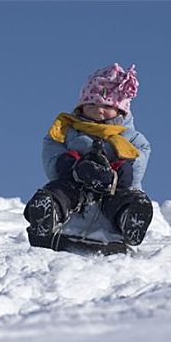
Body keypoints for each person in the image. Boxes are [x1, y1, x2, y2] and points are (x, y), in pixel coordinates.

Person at [24, 63, 153, 253]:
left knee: (125, 198)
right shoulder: (67, 130)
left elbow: (139, 160)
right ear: (82, 106)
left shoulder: (131, 137)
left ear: (121, 110)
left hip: (113, 191)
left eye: (107, 106)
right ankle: (48, 212)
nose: (99, 110)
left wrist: (117, 173)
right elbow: (51, 149)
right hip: (75, 187)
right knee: (60, 190)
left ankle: (130, 218)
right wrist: (72, 167)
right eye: (92, 104)